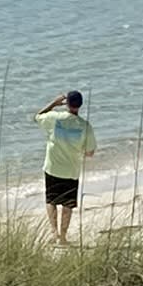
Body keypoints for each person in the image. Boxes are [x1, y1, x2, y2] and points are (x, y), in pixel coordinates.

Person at [33, 91, 97, 244]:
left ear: (67, 104)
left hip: (52, 167)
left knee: (51, 200)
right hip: (71, 170)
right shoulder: (85, 126)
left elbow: (37, 117)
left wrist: (54, 103)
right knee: (67, 204)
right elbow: (90, 152)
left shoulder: (55, 118)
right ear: (80, 105)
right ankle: (63, 236)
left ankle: (54, 232)